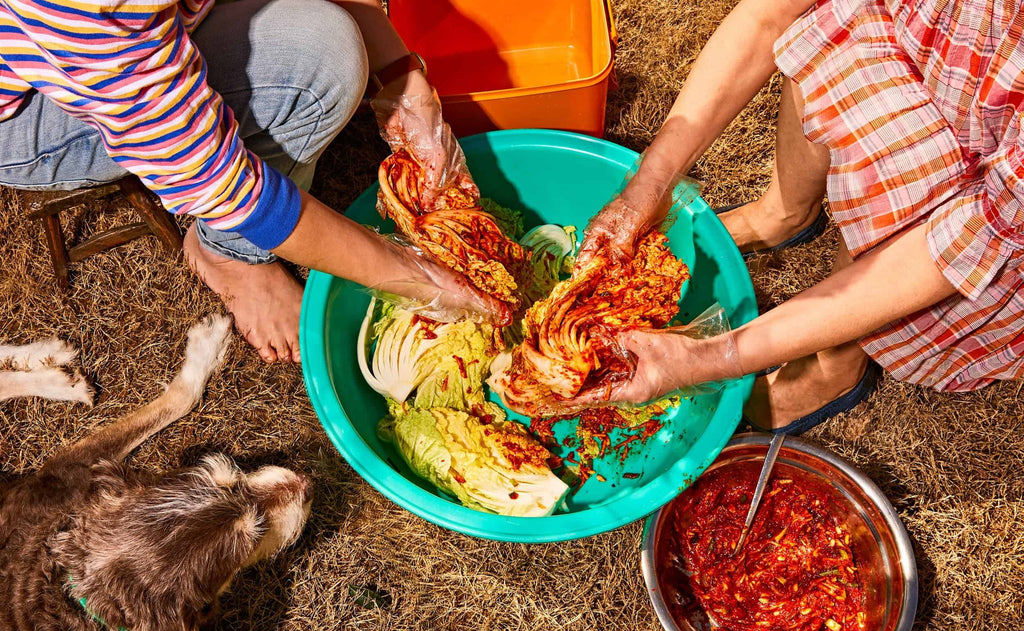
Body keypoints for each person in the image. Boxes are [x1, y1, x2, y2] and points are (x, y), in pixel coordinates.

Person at [576, 0, 1024, 433]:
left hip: (991, 216)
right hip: (929, 49)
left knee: (904, 180)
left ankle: (836, 363)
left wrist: (711, 358)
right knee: (820, 12)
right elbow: (770, 15)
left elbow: (959, 247)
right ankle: (784, 214)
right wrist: (650, 185)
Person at [0, 0, 504, 363]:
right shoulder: (92, 11)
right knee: (322, 60)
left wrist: (405, 83)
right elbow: (220, 181)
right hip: (28, 111)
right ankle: (230, 257)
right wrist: (417, 280)